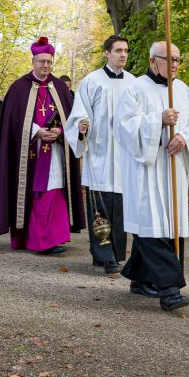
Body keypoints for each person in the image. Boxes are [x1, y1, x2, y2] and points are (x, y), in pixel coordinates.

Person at [113, 41, 189, 312]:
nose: (175, 64)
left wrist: (183, 137)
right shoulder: (136, 88)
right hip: (147, 171)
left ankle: (140, 278)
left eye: (178, 59)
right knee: (150, 225)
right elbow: (123, 127)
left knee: (170, 226)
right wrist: (158, 120)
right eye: (169, 59)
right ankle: (169, 290)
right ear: (152, 61)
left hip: (174, 169)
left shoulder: (182, 90)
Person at [0, 37, 85, 254]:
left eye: (49, 62)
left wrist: (60, 131)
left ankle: (51, 238)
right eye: (41, 61)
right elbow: (11, 121)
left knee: (54, 191)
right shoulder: (19, 88)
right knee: (32, 193)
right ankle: (36, 239)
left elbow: (71, 118)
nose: (46, 65)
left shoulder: (60, 88)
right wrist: (36, 131)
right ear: (33, 61)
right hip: (28, 153)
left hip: (56, 152)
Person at [65, 35, 136, 275]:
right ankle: (106, 257)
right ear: (107, 53)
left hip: (125, 156)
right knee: (100, 209)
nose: (123, 55)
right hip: (100, 155)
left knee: (121, 210)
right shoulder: (92, 81)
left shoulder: (134, 83)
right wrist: (82, 125)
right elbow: (79, 113)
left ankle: (112, 254)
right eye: (118, 50)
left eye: (126, 50)